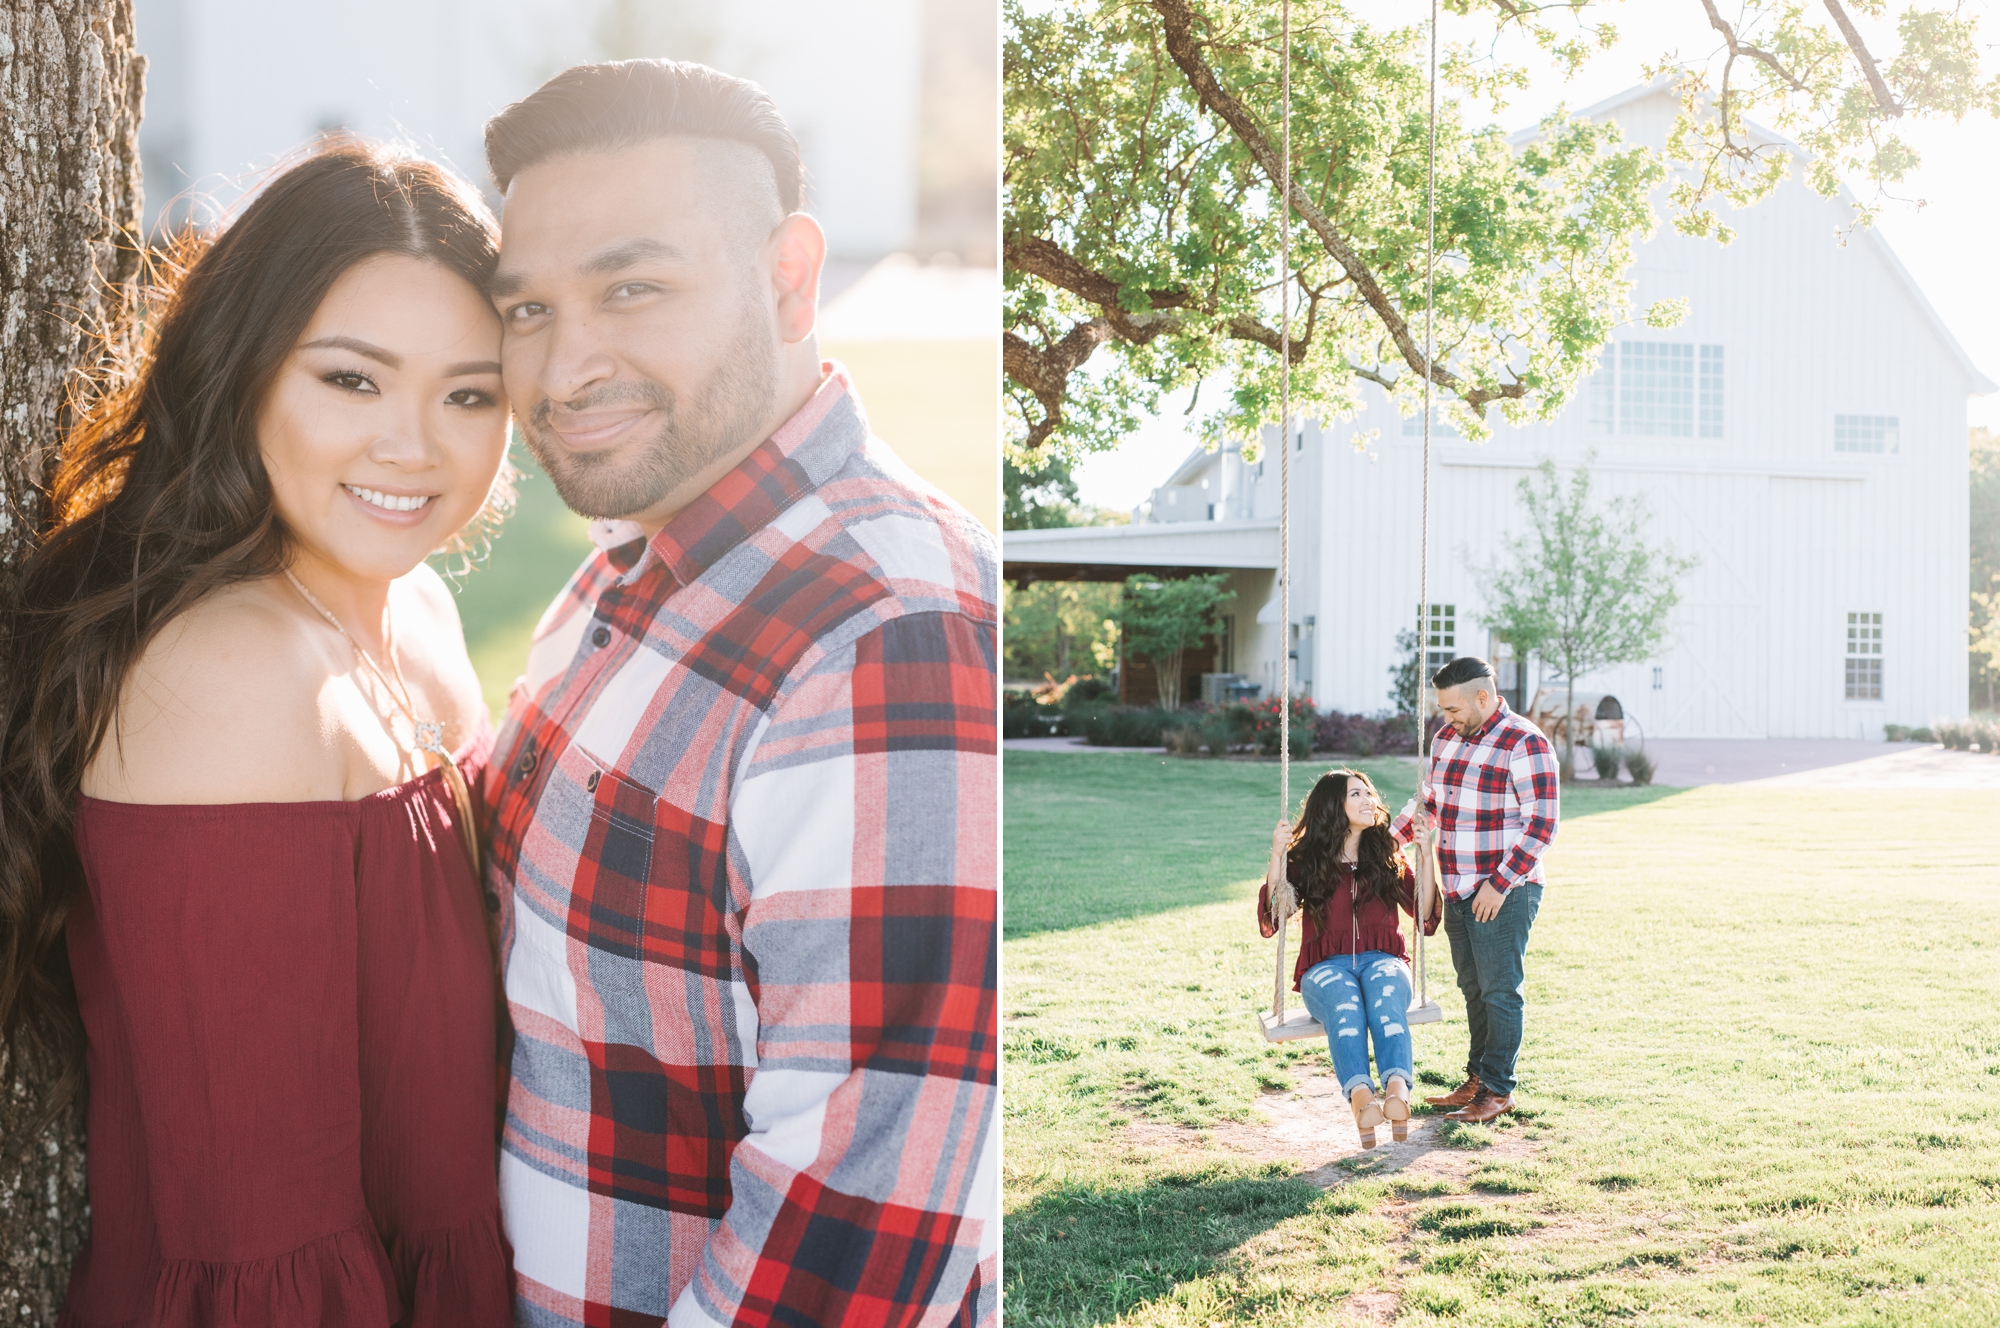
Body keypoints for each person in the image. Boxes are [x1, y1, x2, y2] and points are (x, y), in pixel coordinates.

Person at [478, 61, 998, 1327]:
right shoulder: (638, 562)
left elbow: (859, 1230)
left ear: (788, 276)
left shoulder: (883, 636)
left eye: (632, 287)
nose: (561, 368)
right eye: (529, 308)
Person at [0, 142, 515, 1321]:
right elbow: (261, 1251)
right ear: (245, 374)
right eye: (351, 379)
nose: (416, 445)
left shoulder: (420, 610)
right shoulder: (231, 669)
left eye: (469, 392)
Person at [1391, 656, 1559, 1124]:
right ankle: (1478, 1078)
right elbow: (1428, 804)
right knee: (1473, 988)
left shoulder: (1525, 742)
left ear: (1482, 697)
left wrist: (1499, 885)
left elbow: (1543, 825)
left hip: (1505, 892)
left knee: (1500, 991)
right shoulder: (1447, 739)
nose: (1446, 718)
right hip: (1458, 889)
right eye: (1443, 710)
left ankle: (1498, 1090)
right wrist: (1383, 844)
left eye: (1452, 709)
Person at [1259, 768, 1433, 1147]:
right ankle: (1361, 1099)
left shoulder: (1386, 853)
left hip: (1383, 960)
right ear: (1333, 805)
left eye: (1369, 793)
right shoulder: (1307, 859)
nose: (1369, 800)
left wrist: (1426, 854)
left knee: (1385, 1000)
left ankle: (1397, 1091)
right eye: (1356, 794)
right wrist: (1277, 854)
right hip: (1325, 968)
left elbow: (1425, 912)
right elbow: (1276, 913)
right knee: (1346, 1006)